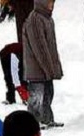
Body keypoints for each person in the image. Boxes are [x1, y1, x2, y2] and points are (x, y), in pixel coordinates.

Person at [23, 0, 64, 128]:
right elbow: (39, 47)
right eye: (49, 2)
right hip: (37, 68)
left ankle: (47, 119)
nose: (51, 5)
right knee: (36, 97)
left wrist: (54, 67)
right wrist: (48, 68)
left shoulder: (48, 19)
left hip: (47, 68)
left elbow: (51, 46)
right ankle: (34, 122)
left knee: (48, 94)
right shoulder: (35, 19)